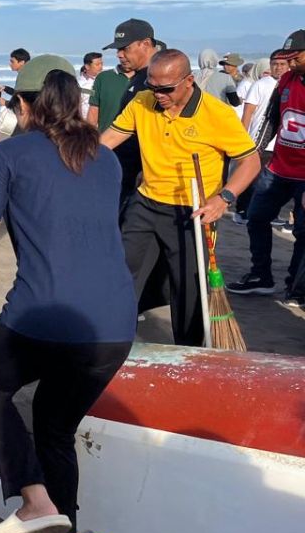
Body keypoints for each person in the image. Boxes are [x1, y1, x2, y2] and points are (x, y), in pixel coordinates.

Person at [0, 56, 136, 533]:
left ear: (23, 104)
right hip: (114, 323)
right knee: (55, 429)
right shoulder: (106, 158)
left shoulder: (12, 152)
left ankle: (32, 498)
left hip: (44, 315)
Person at [101, 49, 261, 346]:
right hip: (146, 203)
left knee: (188, 288)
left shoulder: (217, 114)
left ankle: (189, 351)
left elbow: (251, 162)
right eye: (152, 86)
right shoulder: (142, 101)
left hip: (193, 210)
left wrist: (224, 198)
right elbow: (107, 141)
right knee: (120, 274)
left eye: (166, 89)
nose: (158, 95)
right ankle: (111, 342)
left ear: (189, 80)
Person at [229, 33, 305, 300]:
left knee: (302, 231)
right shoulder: (286, 81)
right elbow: (272, 121)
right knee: (256, 217)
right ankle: (261, 275)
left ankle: (297, 287)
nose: (289, 63)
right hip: (278, 169)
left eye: (295, 57)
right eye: (286, 58)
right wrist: (255, 154)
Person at [101, 18, 158, 208]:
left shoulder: (157, 81)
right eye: (118, 49)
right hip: (124, 170)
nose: (119, 54)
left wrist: (147, 171)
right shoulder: (139, 77)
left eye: (125, 48)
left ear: (146, 44)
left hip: (142, 178)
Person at [232, 53, 286, 223]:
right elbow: (248, 112)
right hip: (259, 139)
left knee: (274, 181)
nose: (279, 67)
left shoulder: (290, 85)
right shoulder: (261, 84)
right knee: (253, 177)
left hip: (282, 141)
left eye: (282, 64)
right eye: (275, 64)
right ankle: (242, 211)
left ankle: (270, 214)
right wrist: (243, 137)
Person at [87, 54, 133, 131]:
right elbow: (93, 110)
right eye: (119, 50)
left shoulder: (147, 78)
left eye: (126, 50)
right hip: (105, 135)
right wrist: (89, 135)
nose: (120, 55)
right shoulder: (103, 77)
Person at [78, 52, 103, 118]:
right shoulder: (80, 84)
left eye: (102, 64)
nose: (101, 67)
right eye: (97, 64)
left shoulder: (104, 81)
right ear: (87, 66)